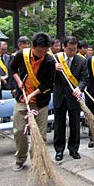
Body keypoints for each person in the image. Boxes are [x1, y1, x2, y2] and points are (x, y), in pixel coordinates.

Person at [9, 33, 55, 171]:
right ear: (33, 47)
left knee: (40, 135)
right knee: (19, 132)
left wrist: (33, 95)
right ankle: (20, 159)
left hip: (40, 102)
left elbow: (48, 83)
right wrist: (18, 81)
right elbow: (12, 68)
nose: (42, 54)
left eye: (45, 51)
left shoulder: (49, 61)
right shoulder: (22, 55)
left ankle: (38, 161)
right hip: (22, 100)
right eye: (40, 51)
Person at [53, 36, 88, 161]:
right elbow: (47, 76)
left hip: (74, 97)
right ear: (63, 46)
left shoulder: (82, 60)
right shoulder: (56, 58)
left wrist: (79, 88)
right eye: (69, 49)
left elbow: (84, 79)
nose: (72, 52)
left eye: (74, 49)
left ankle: (74, 149)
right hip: (60, 96)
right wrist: (53, 69)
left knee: (74, 125)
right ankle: (59, 150)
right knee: (59, 125)